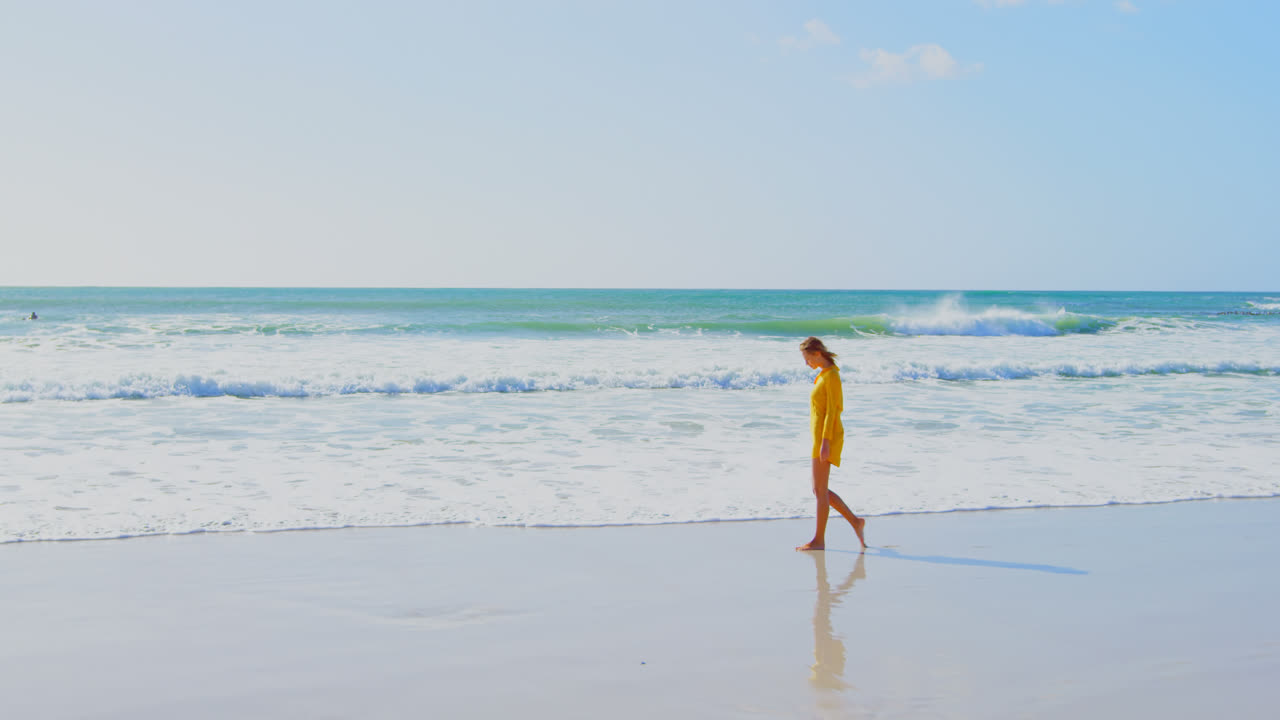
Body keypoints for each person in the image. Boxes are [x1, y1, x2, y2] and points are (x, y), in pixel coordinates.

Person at [796, 336, 866, 551]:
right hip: (820, 438)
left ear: (817, 353)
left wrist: (825, 442)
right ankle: (855, 522)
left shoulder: (832, 376)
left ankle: (819, 540)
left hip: (827, 438)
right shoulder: (823, 376)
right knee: (820, 490)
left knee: (819, 490)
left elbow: (833, 412)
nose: (806, 363)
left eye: (807, 358)